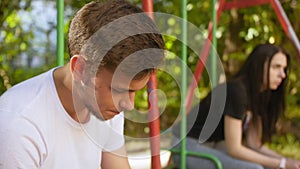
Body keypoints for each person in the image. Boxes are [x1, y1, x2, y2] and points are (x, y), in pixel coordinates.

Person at [0, 0, 164, 168]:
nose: (128, 105)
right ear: (80, 69)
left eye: (134, 91)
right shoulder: (18, 126)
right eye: (118, 89)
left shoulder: (107, 106)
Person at [171, 44, 300, 169]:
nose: (282, 75)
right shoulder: (236, 91)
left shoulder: (259, 96)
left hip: (215, 145)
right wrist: (281, 163)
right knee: (254, 168)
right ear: (259, 66)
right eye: (276, 67)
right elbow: (235, 149)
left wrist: (286, 162)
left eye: (283, 68)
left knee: (270, 166)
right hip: (186, 144)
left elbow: (253, 143)